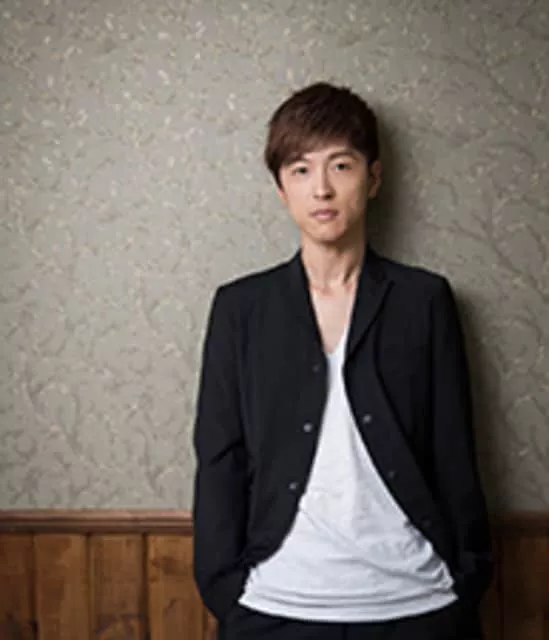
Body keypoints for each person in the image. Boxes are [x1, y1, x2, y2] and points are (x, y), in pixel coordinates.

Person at [192, 82, 493, 640]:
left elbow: (453, 447)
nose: (322, 188)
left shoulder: (424, 300)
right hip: (274, 604)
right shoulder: (241, 308)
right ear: (281, 189)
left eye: (341, 165)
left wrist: (467, 576)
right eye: (301, 169)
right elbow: (219, 458)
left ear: (373, 178)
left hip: (418, 602)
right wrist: (224, 589)